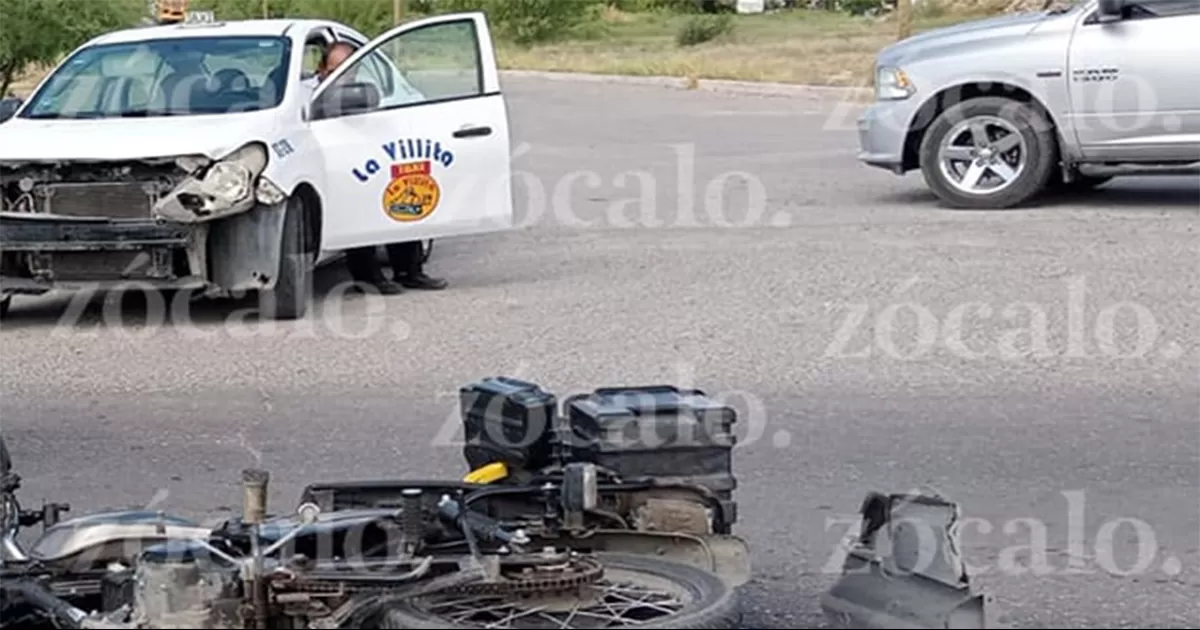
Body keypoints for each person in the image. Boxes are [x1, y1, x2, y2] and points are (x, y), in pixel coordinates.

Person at [315, 42, 447, 294]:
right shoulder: (311, 94)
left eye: (349, 70)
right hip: (335, 166)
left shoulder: (367, 89)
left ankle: (410, 271)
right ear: (321, 69)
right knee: (357, 217)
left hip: (372, 157)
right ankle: (367, 278)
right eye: (335, 70)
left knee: (401, 201)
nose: (343, 77)